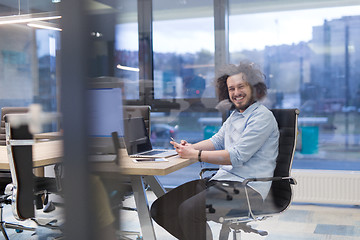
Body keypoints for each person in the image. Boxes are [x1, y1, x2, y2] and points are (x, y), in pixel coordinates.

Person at [150, 61, 279, 240]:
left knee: (189, 211)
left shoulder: (262, 117)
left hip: (248, 189)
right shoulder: (235, 116)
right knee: (160, 209)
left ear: (253, 87)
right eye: (231, 89)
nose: (236, 93)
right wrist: (190, 147)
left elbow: (237, 156)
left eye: (240, 86)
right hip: (222, 182)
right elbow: (216, 141)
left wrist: (196, 155)